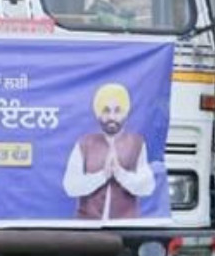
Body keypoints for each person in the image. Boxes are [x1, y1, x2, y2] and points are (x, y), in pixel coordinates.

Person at [62, 82, 156, 220]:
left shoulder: (137, 144)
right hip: (88, 226)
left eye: (117, 110)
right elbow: (70, 187)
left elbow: (147, 187)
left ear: (125, 113)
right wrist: (102, 176)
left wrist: (120, 174)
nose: (112, 117)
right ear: (98, 114)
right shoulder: (84, 143)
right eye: (106, 110)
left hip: (125, 226)